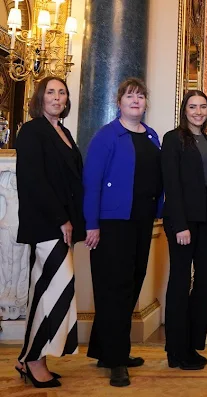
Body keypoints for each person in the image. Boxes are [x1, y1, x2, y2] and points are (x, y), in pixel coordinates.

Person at [84, 78, 163, 387]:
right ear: (119, 102)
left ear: (145, 104)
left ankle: (107, 350)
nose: (136, 100)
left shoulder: (153, 136)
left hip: (142, 222)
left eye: (141, 96)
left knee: (132, 285)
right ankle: (117, 360)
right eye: (130, 96)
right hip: (112, 223)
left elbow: (159, 177)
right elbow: (91, 183)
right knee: (114, 289)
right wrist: (92, 223)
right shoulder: (107, 136)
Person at [14, 77, 85, 388]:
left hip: (62, 225)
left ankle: (25, 358)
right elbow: (34, 180)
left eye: (62, 92)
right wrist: (61, 219)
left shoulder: (63, 131)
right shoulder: (32, 130)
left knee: (50, 292)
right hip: (46, 225)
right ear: (40, 97)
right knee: (51, 293)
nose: (57, 97)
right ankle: (33, 360)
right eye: (51, 92)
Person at [162, 90, 207, 370]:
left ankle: (193, 344)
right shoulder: (173, 139)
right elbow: (171, 184)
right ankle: (176, 349)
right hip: (182, 222)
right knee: (181, 283)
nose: (198, 111)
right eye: (192, 107)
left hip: (206, 222)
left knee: (206, 282)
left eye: (202, 107)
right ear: (184, 110)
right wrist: (181, 225)